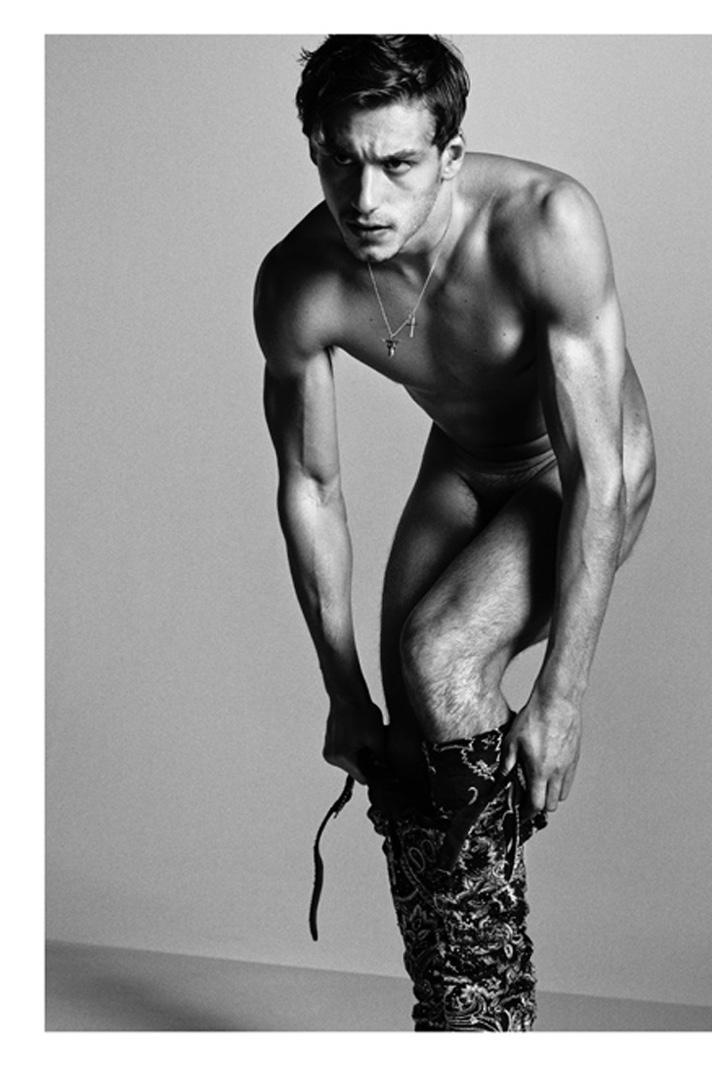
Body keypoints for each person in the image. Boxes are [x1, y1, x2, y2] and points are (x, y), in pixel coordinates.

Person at [254, 34, 656, 1031]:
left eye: (397, 163)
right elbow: (311, 487)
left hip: (578, 468)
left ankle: (492, 1018)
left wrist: (560, 695)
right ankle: (450, 1010)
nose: (364, 197)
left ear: (450, 154)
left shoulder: (545, 223)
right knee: (401, 733)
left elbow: (599, 474)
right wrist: (342, 694)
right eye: (339, 160)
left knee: (439, 653)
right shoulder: (300, 281)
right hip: (466, 462)